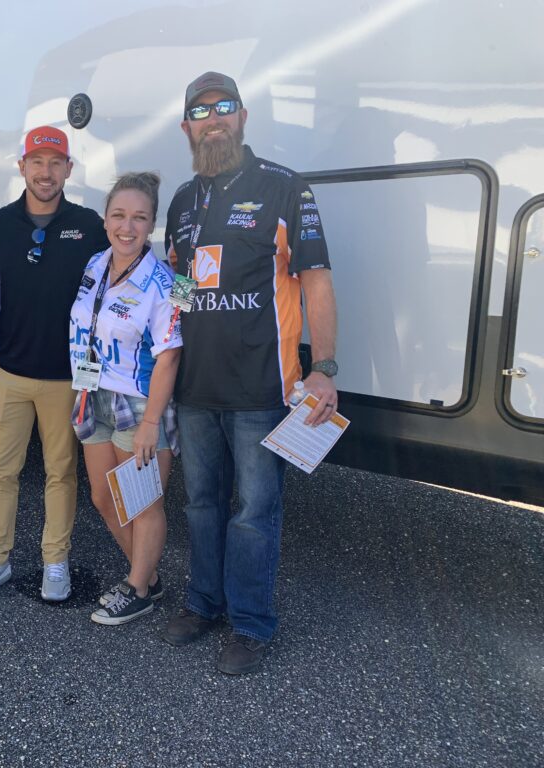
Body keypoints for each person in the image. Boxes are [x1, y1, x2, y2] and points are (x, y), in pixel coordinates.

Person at [162, 72, 339, 673]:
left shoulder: (284, 188)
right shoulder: (183, 200)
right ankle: (204, 603)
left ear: (243, 117)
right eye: (200, 111)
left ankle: (251, 623)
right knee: (203, 506)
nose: (213, 119)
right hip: (194, 390)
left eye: (225, 108)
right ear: (187, 127)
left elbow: (316, 281)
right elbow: (181, 288)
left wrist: (325, 368)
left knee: (254, 512)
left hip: (264, 388)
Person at [0, 126, 110, 603]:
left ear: (69, 169)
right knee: (0, 473)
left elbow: (129, 264)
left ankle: (55, 561)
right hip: (8, 372)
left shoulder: (89, 224)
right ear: (21, 166)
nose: (46, 173)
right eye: (37, 162)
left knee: (60, 473)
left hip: (66, 377)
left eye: (56, 163)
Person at [68, 172, 182, 625]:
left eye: (139, 217)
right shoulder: (96, 263)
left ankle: (138, 588)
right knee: (102, 496)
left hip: (138, 403)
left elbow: (170, 357)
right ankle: (148, 575)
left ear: (152, 224)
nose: (127, 226)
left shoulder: (163, 281)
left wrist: (152, 422)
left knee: (142, 502)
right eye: (118, 215)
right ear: (104, 219)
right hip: (91, 392)